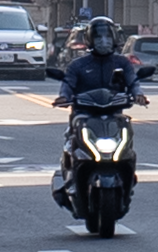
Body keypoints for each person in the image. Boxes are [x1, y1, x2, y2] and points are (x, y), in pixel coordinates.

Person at [48, 18, 143, 216]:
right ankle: (70, 179)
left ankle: (128, 179)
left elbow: (133, 82)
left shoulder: (122, 63)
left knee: (127, 137)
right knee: (72, 143)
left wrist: (138, 95)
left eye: (108, 36)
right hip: (84, 116)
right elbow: (67, 84)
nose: (104, 41)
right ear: (90, 39)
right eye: (99, 37)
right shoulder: (78, 65)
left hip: (114, 116)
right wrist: (64, 97)